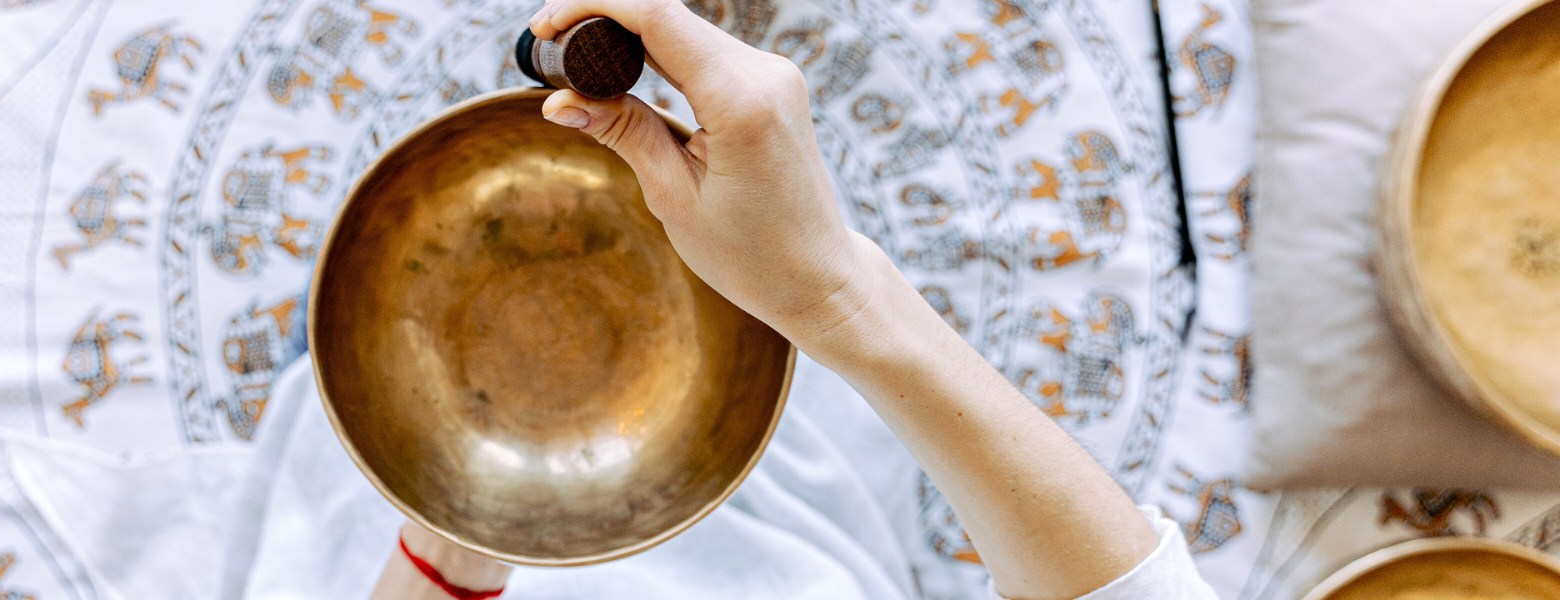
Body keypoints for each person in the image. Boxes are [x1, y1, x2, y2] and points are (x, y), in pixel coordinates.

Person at [370, 1, 1220, 598]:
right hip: (772, 482)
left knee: (390, 262)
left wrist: (459, 527)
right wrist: (836, 299)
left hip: (460, 462)